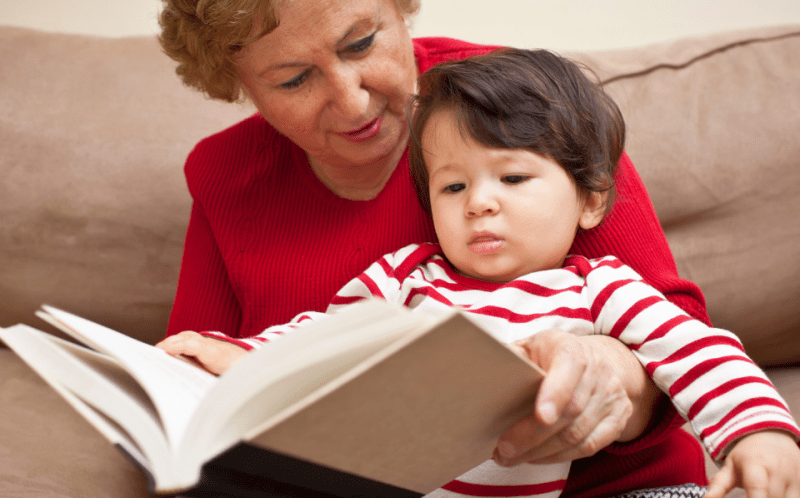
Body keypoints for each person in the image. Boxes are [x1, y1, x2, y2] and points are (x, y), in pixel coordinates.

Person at [150, 0, 716, 495]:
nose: (352, 102)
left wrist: (615, 377)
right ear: (235, 80)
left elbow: (681, 336)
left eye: (361, 43)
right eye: (293, 79)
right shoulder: (225, 173)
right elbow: (192, 383)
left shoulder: (520, 111)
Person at [159, 48, 800, 498]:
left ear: (591, 199)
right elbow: (320, 338)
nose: (480, 202)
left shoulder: (598, 285)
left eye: (514, 178)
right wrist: (231, 352)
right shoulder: (409, 278)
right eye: (453, 185)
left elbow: (699, 350)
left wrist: (762, 435)